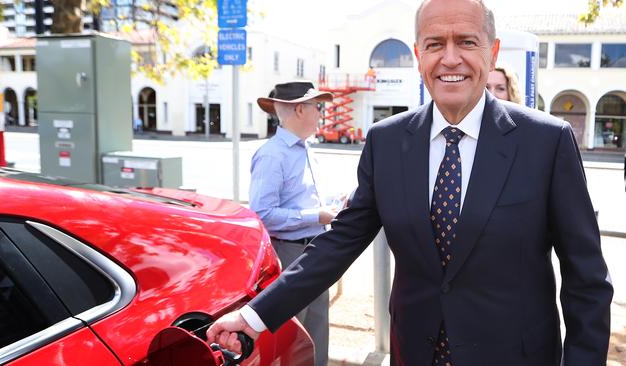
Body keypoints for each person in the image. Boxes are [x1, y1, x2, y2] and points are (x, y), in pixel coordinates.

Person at [208, 1, 614, 365]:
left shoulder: (546, 141)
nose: (450, 59)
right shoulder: (386, 142)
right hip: (416, 351)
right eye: (435, 44)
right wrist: (253, 316)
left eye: (466, 42)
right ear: (418, 55)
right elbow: (339, 242)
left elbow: (587, 280)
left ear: (491, 53)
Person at [246, 80, 338, 366]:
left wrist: (335, 205)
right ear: (300, 109)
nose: (320, 113)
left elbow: (306, 197)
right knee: (292, 331)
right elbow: (262, 213)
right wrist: (316, 216)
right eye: (316, 107)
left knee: (317, 325)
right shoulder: (273, 155)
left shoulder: (304, 148)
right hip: (288, 253)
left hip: (312, 249)